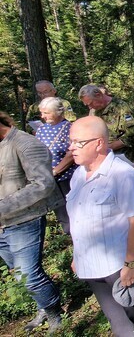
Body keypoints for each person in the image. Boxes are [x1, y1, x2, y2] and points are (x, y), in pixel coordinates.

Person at [67, 116, 134, 336]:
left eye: (78, 142)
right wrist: (78, 255)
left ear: (99, 143)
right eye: (71, 141)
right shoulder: (78, 174)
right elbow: (79, 218)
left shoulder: (123, 175)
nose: (71, 147)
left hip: (117, 265)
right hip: (91, 264)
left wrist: (131, 263)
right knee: (118, 323)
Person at [0, 111, 63, 333]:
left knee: (29, 274)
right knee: (19, 273)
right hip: (3, 225)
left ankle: (55, 311)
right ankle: (43, 307)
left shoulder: (26, 143)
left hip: (25, 219)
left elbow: (42, 185)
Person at [36, 97, 77, 233]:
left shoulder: (70, 128)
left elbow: (71, 154)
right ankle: (70, 237)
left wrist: (55, 171)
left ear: (58, 112)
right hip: (48, 178)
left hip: (66, 178)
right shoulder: (41, 130)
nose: (43, 116)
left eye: (46, 113)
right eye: (42, 113)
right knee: (61, 213)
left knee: (73, 210)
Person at [78, 84, 134, 160]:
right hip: (101, 157)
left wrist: (108, 148)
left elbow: (133, 134)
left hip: (122, 157)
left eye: (91, 103)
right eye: (87, 105)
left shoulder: (121, 107)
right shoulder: (93, 111)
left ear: (98, 95)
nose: (90, 107)